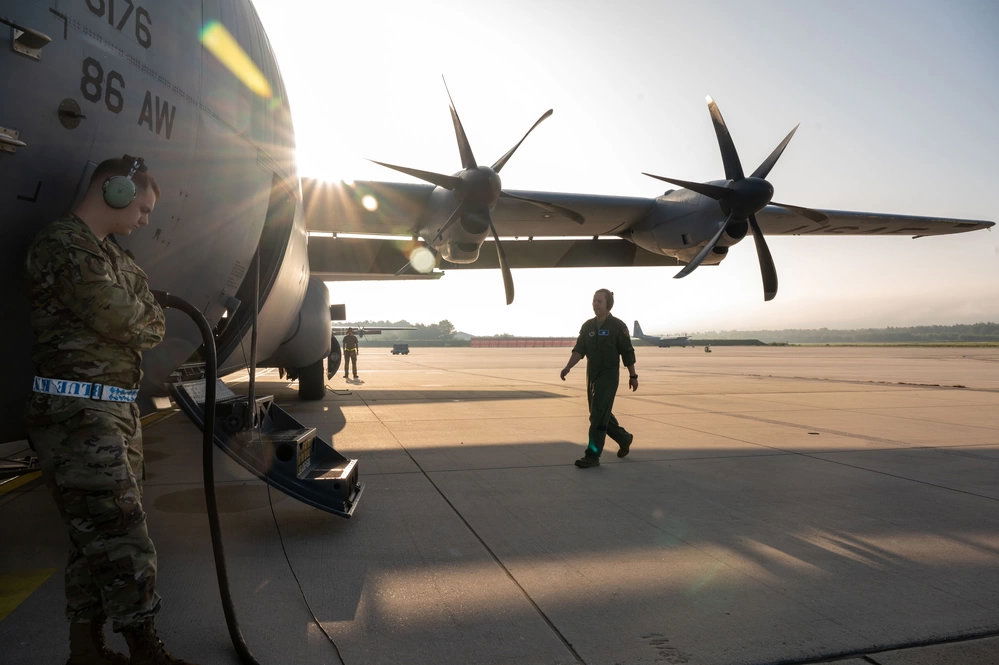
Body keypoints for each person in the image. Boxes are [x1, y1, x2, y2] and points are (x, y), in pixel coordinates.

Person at [24, 156, 198, 665]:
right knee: (123, 534)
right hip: (76, 410)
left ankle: (86, 650)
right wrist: (144, 317)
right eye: (142, 207)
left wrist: (143, 315)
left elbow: (143, 315)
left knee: (92, 539)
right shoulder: (64, 244)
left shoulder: (113, 256)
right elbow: (130, 320)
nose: (145, 219)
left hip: (114, 410)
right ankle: (146, 650)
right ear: (115, 190)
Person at [559, 288, 638, 468]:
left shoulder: (618, 326)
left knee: (597, 415)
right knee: (598, 414)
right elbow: (579, 350)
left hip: (609, 375)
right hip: (592, 374)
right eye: (594, 301)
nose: (595, 304)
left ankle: (592, 455)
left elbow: (627, 352)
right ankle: (624, 438)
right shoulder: (588, 326)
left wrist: (633, 375)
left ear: (608, 304)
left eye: (599, 301)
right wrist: (568, 367)